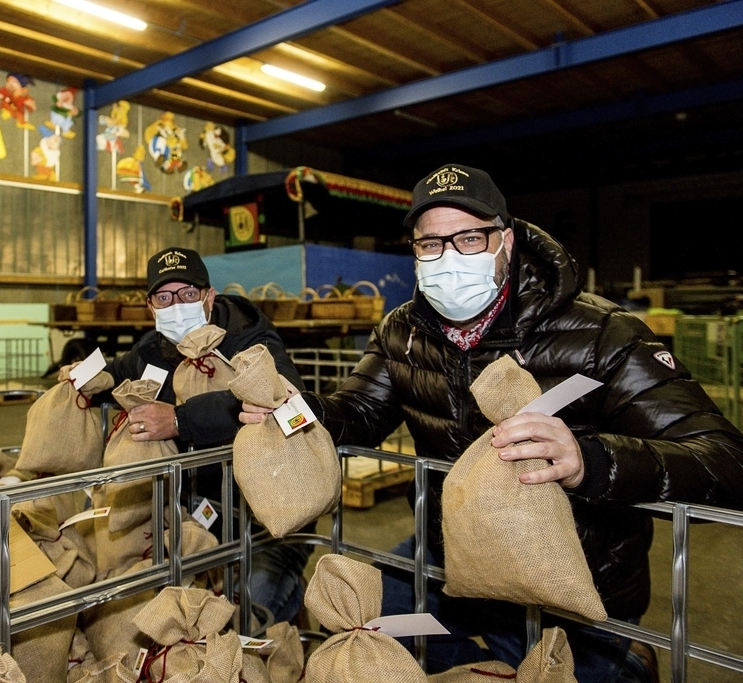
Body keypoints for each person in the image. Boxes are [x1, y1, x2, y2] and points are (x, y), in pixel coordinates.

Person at [241, 163, 743, 682]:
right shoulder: (404, 331)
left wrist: (590, 460)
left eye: (469, 238)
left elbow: (726, 462)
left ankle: (622, 660)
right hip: (449, 557)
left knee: (571, 670)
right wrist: (295, 410)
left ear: (505, 241)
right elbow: (360, 413)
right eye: (429, 244)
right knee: (370, 622)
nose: (448, 257)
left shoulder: (601, 334)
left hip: (577, 582)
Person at [99, 246, 312, 623]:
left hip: (266, 520)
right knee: (184, 610)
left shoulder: (248, 337)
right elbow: (113, 372)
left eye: (187, 295)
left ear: (209, 297)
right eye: (164, 297)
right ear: (150, 306)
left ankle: (290, 607)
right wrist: (81, 377)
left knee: (246, 609)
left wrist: (181, 419)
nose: (176, 305)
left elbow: (281, 394)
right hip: (198, 513)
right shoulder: (153, 350)